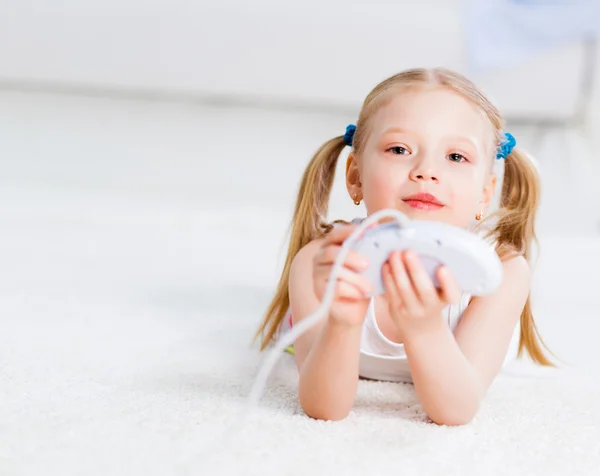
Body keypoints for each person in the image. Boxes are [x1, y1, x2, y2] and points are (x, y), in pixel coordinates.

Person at [254, 68, 554, 426]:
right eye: (399, 149)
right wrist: (342, 324)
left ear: (485, 194)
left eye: (456, 157)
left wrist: (425, 326)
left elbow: (456, 410)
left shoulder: (500, 272)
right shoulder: (323, 262)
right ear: (354, 177)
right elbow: (324, 409)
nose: (426, 171)